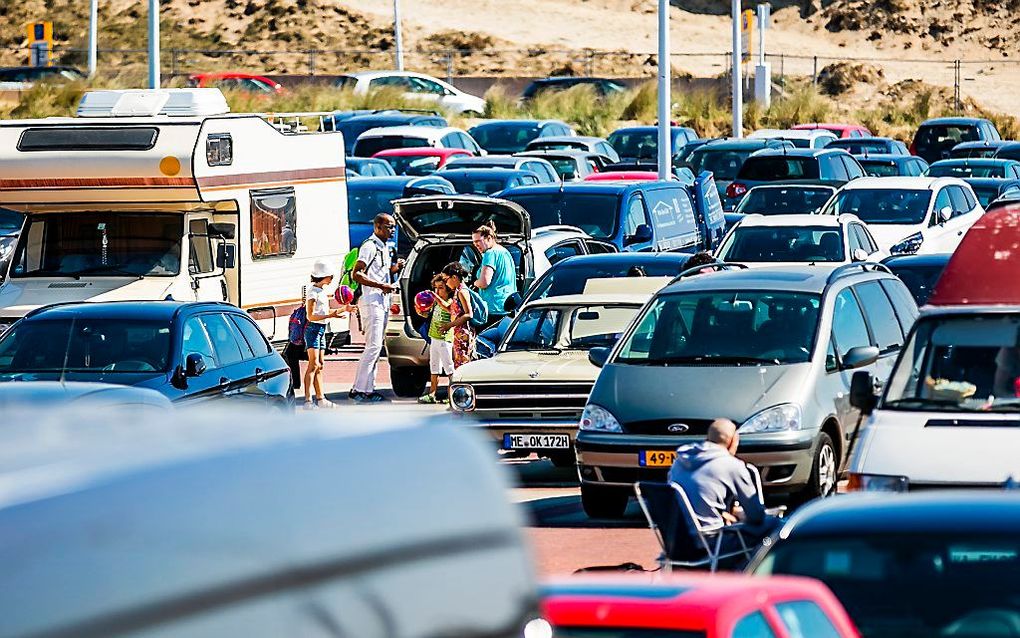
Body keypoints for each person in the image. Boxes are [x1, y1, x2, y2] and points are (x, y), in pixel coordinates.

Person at [668, 419, 782, 547]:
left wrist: (723, 514)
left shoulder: (679, 462)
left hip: (678, 543)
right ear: (733, 440)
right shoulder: (732, 465)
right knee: (776, 525)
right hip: (714, 543)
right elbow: (756, 516)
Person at [351, 213, 404, 403]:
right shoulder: (369, 246)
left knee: (376, 346)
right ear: (377, 227)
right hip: (372, 301)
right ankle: (360, 389)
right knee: (372, 347)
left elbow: (380, 272)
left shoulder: (383, 247)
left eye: (393, 227)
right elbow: (357, 274)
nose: (392, 230)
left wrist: (394, 270)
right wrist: (382, 286)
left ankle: (367, 388)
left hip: (382, 301)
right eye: (389, 226)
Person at [303, 259, 348, 409]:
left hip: (321, 329)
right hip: (313, 329)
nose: (332, 279)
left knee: (320, 365)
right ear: (324, 276)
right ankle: (308, 400)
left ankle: (321, 398)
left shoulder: (321, 292)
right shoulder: (313, 293)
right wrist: (331, 316)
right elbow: (310, 316)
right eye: (330, 276)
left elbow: (324, 313)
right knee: (313, 364)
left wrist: (343, 310)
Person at [418, 274, 455, 404]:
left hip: (445, 339)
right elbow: (429, 314)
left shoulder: (450, 302)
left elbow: (448, 308)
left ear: (449, 289)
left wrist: (436, 297)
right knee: (434, 367)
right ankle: (432, 393)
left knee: (449, 367)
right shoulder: (436, 303)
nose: (437, 291)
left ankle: (453, 394)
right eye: (435, 288)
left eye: (441, 288)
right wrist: (421, 312)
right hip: (434, 338)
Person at [472, 221, 517, 323]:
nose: (475, 245)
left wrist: (474, 283)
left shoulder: (490, 254)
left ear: (489, 238)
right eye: (474, 242)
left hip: (493, 309)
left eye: (478, 241)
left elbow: (484, 282)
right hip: (507, 306)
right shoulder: (505, 252)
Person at [439, 262, 476, 368]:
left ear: (454, 277)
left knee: (463, 363)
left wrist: (449, 325)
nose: (446, 284)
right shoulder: (457, 291)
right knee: (459, 361)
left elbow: (468, 314)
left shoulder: (462, 291)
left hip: (463, 334)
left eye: (446, 280)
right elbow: (453, 311)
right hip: (458, 334)